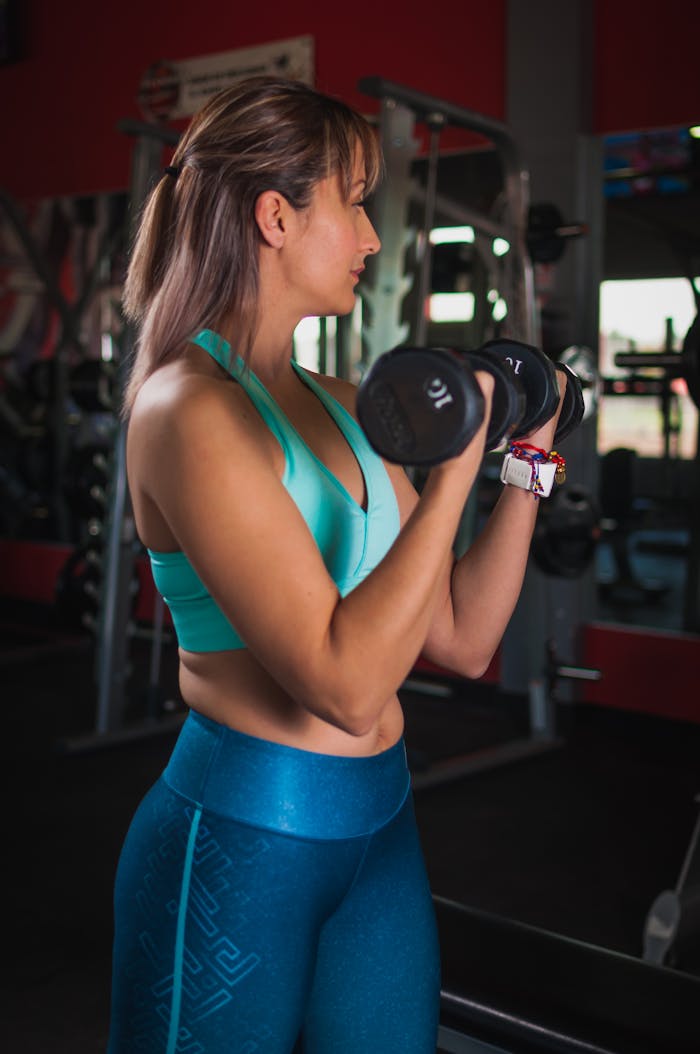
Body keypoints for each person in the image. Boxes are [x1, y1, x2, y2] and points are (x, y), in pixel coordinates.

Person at [108, 75, 565, 1053]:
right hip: (243, 835)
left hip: (379, 832)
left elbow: (463, 638)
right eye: (353, 202)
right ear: (276, 216)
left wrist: (525, 461)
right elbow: (346, 684)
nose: (370, 237)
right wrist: (452, 472)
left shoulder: (341, 400)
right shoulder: (190, 411)